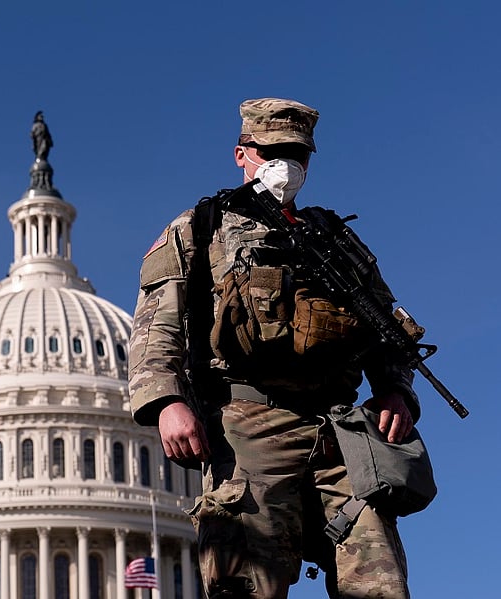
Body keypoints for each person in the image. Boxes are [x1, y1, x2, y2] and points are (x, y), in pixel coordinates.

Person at [128, 99, 417, 598]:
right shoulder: (201, 227)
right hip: (249, 425)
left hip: (341, 430)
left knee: (380, 583)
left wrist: (395, 390)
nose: (287, 165)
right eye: (273, 151)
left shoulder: (336, 240)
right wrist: (167, 401)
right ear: (243, 153)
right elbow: (157, 322)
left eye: (298, 154)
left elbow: (384, 326)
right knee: (248, 584)